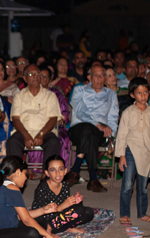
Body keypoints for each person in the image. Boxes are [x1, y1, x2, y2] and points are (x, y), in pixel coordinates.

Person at [0, 156, 60, 238]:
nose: (26, 178)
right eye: (25, 174)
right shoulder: (12, 188)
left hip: (0, 228)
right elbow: (26, 219)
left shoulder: (3, 183)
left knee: (41, 221)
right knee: (33, 232)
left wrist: (43, 210)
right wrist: (47, 235)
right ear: (17, 172)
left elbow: (21, 216)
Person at [66, 65, 119, 193]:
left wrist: (112, 135)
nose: (100, 78)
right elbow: (79, 112)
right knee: (88, 129)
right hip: (78, 129)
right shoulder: (79, 90)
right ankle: (93, 178)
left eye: (102, 75)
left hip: (100, 133)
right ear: (89, 77)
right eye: (96, 75)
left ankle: (75, 170)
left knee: (90, 133)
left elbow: (113, 117)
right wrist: (97, 124)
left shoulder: (111, 94)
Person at [6, 64, 62, 175]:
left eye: (37, 73)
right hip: (23, 131)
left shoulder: (50, 95)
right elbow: (16, 119)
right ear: (25, 78)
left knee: (54, 142)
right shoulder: (19, 96)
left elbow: (53, 119)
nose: (35, 76)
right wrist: (26, 135)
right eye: (31, 74)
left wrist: (41, 134)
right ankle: (16, 176)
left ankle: (46, 178)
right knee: (12, 142)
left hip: (45, 132)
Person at [115, 77, 150, 225]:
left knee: (142, 186)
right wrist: (121, 155)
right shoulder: (128, 112)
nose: (143, 96)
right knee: (127, 185)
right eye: (139, 93)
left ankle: (142, 213)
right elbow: (121, 134)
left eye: (146, 92)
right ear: (132, 95)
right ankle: (125, 213)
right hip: (130, 151)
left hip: (146, 153)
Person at [32, 156, 95, 233]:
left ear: (65, 171)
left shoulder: (65, 185)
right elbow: (42, 214)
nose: (57, 173)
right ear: (47, 173)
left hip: (59, 218)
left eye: (60, 169)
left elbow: (67, 210)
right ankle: (52, 230)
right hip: (44, 222)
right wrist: (62, 206)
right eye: (53, 170)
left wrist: (75, 201)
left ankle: (66, 227)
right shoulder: (42, 188)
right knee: (78, 210)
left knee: (88, 212)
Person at [26, 67, 71, 171]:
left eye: (47, 77)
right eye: (42, 76)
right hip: (34, 126)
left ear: (50, 79)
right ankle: (35, 168)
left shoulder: (56, 93)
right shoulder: (30, 93)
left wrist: (56, 123)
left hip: (54, 126)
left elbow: (64, 114)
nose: (44, 79)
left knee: (64, 138)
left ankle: (57, 168)